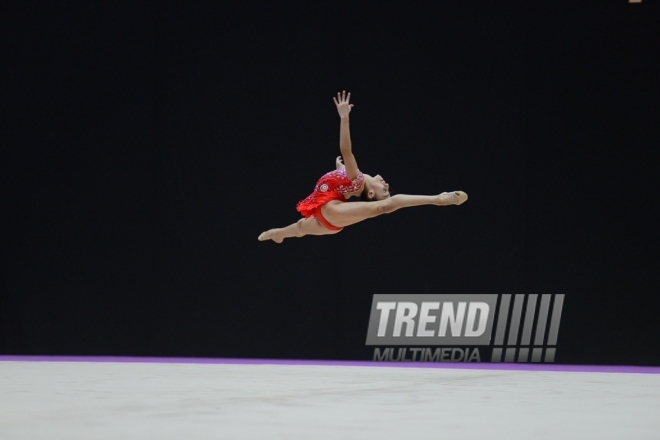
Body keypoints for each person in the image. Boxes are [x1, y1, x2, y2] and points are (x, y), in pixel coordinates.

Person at [258, 91, 467, 243]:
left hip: (331, 212)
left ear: (369, 192)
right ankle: (277, 234)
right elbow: (340, 184)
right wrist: (338, 170)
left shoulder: (357, 179)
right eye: (387, 188)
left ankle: (440, 199)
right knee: (300, 228)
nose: (385, 184)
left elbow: (346, 149)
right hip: (330, 218)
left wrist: (344, 118)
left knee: (383, 208)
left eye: (383, 190)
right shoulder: (352, 180)